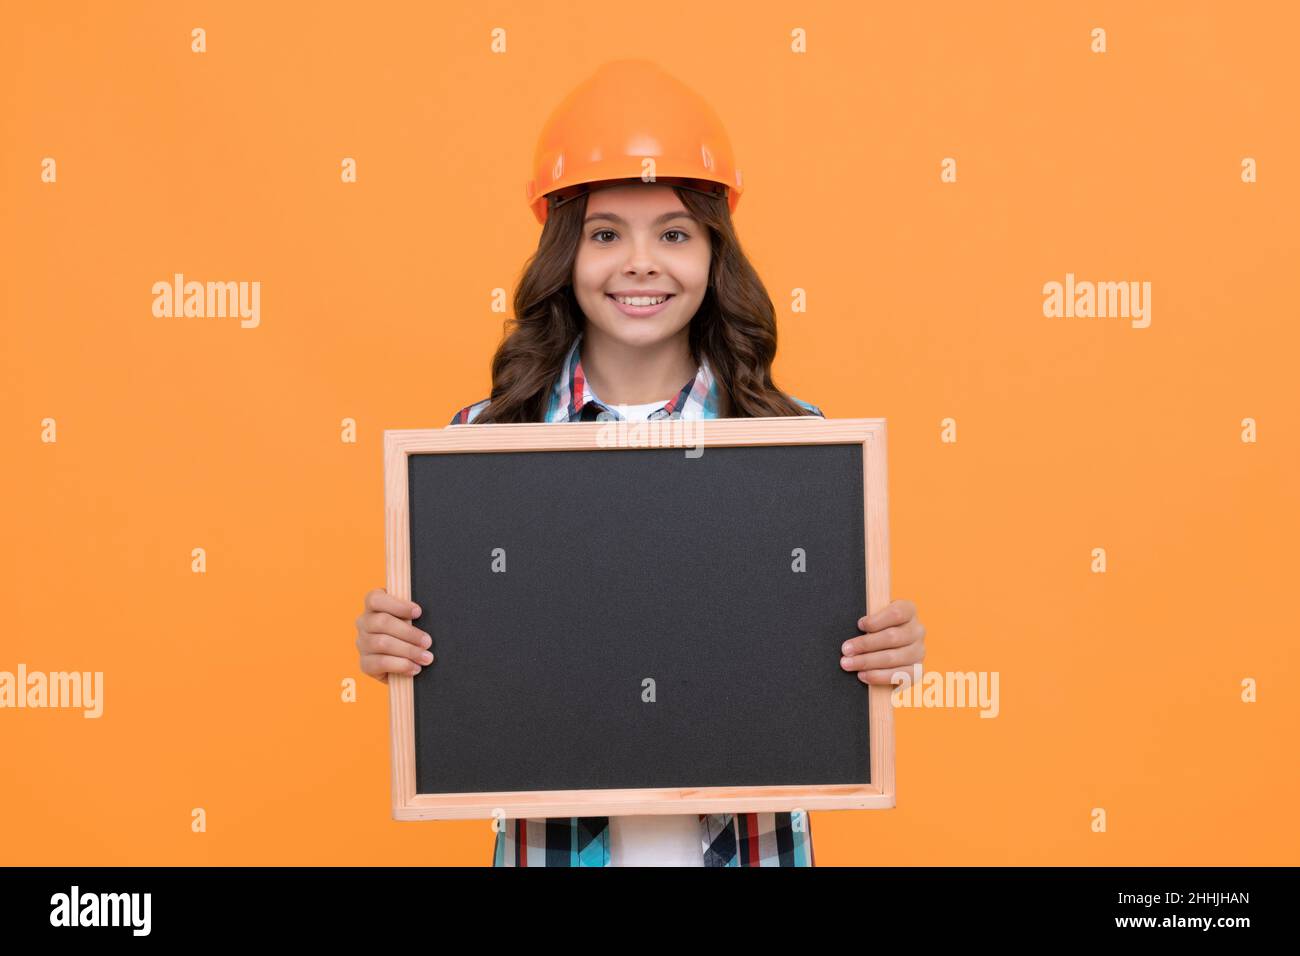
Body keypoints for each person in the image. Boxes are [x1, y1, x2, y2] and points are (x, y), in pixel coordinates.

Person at [354, 59, 927, 867]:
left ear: (712, 252)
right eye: (604, 233)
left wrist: (889, 653)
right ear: (565, 253)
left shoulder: (795, 442)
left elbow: (828, 660)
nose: (640, 264)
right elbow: (469, 667)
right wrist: (399, 651)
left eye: (673, 233)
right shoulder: (484, 440)